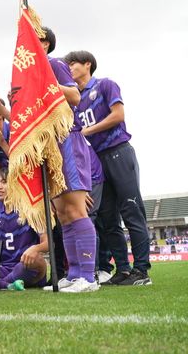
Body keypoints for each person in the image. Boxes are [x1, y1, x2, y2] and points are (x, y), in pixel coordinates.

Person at [0, 26, 98, 293]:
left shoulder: (54, 65)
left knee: (75, 210)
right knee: (61, 213)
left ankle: (88, 277)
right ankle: (73, 274)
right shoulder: (26, 77)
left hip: (66, 141)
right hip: (47, 149)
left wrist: (45, 84)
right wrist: (2, 106)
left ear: (44, 43)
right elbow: (26, 124)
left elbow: (74, 96)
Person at [64, 50, 151, 286]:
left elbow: (118, 115)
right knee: (108, 218)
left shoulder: (105, 85)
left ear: (87, 64)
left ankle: (142, 270)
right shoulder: (74, 98)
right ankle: (123, 269)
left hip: (118, 151)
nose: (69, 67)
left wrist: (88, 131)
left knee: (132, 211)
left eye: (73, 63)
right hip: (96, 160)